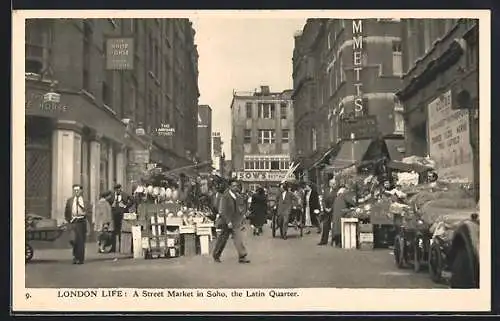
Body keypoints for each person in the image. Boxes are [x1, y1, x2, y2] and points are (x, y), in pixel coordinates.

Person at [212, 179, 250, 264]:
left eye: (236, 186)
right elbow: (222, 210)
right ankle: (216, 255)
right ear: (229, 186)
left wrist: (242, 216)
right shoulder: (225, 196)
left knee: (238, 239)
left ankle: (242, 256)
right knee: (222, 240)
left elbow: (240, 208)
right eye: (233, 186)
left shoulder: (237, 196)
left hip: (235, 221)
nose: (235, 187)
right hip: (226, 222)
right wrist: (228, 221)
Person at [64, 184, 91, 264]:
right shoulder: (70, 200)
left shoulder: (85, 201)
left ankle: (80, 258)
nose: (76, 192)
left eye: (78, 190)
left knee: (81, 241)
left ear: (81, 191)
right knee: (73, 240)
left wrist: (86, 215)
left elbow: (89, 211)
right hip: (73, 222)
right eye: (75, 190)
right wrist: (69, 220)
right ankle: (75, 256)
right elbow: (66, 212)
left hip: (81, 221)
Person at [331, 181, 357, 247]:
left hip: (336, 213)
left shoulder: (338, 197)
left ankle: (336, 241)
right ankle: (342, 241)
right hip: (341, 212)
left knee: (336, 226)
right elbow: (351, 202)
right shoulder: (345, 194)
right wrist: (355, 205)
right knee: (340, 226)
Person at [318, 178, 339, 246]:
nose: (334, 185)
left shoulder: (337, 191)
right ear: (330, 184)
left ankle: (335, 241)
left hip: (333, 210)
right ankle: (324, 241)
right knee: (325, 226)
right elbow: (323, 200)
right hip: (326, 211)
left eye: (334, 184)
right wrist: (325, 208)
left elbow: (336, 201)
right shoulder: (326, 190)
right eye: (332, 183)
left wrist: (331, 208)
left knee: (334, 226)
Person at [110, 184, 129, 253]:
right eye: (117, 190)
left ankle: (122, 247)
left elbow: (132, 201)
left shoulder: (125, 195)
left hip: (122, 214)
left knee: (122, 231)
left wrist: (125, 206)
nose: (118, 191)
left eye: (119, 189)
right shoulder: (112, 196)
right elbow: (109, 203)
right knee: (114, 232)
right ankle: (113, 248)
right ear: (115, 190)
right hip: (114, 215)